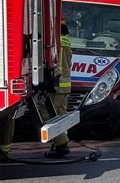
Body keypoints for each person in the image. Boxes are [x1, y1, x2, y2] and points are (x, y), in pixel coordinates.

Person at [43, 17, 72, 158]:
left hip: (57, 86)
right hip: (65, 86)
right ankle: (59, 145)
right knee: (61, 117)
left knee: (47, 115)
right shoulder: (66, 41)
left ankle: (62, 145)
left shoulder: (54, 41)